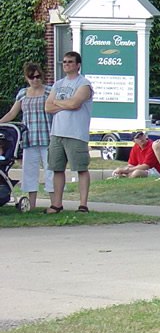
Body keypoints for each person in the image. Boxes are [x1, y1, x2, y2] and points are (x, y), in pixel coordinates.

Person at [0, 62, 55, 210]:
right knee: (29, 171)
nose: (35, 80)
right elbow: (12, 113)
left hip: (47, 137)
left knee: (51, 170)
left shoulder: (50, 91)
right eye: (31, 77)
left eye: (37, 76)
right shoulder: (23, 93)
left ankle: (54, 203)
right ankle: (31, 204)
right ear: (27, 78)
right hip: (29, 138)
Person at [44, 51, 94, 214]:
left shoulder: (84, 84)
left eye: (70, 62)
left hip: (76, 133)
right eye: (64, 61)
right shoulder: (58, 84)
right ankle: (57, 204)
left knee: (80, 169)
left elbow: (76, 103)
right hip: (57, 132)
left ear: (78, 65)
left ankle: (83, 205)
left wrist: (59, 103)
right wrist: (65, 103)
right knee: (57, 169)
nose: (66, 64)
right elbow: (48, 107)